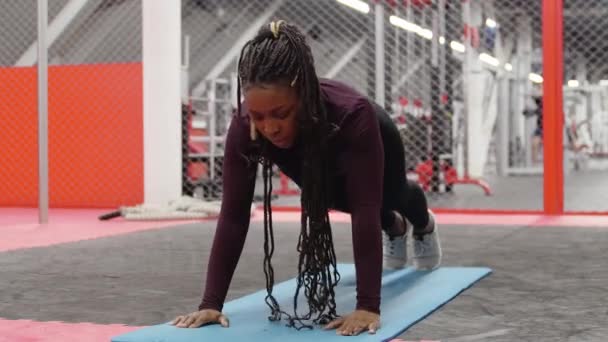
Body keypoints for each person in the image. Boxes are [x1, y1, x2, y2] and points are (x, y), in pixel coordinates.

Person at [171, 20, 442, 336]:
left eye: (281, 113)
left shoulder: (353, 114)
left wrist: (367, 306)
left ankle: (423, 224)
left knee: (386, 196)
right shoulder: (247, 127)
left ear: (304, 95)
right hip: (314, 157)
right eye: (259, 116)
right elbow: (233, 215)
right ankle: (395, 227)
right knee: (335, 199)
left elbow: (365, 207)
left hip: (369, 137)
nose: (269, 127)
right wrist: (211, 303)